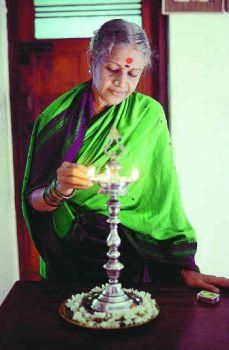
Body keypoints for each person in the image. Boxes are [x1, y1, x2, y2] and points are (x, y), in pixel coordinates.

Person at [22, 19, 229, 292]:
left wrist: (183, 266)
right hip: (69, 257)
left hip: (134, 256)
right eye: (112, 69)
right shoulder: (55, 119)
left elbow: (162, 196)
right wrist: (59, 189)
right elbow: (34, 202)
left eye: (133, 73)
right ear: (92, 59)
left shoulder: (148, 115)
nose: (122, 82)